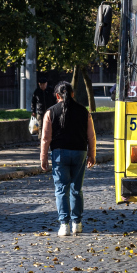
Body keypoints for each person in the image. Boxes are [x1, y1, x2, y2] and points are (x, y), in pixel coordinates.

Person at [40, 81, 97, 236]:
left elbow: (45, 138)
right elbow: (91, 136)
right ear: (72, 94)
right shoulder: (84, 112)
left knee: (61, 190)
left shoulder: (51, 112)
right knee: (76, 189)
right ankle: (77, 223)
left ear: (57, 96)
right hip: (79, 153)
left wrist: (43, 157)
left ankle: (64, 224)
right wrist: (92, 154)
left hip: (59, 154)